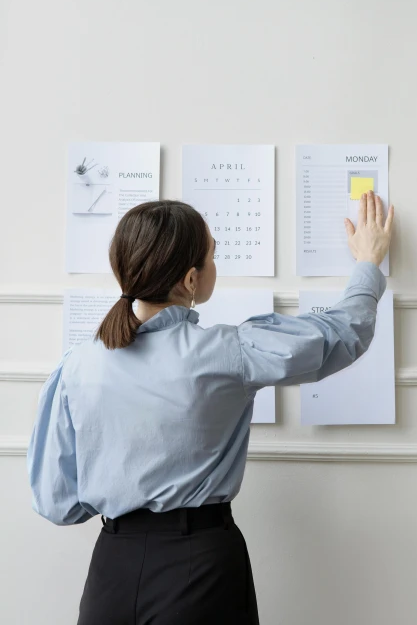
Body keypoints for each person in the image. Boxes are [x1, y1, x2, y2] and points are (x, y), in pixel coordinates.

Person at [27, 190, 394, 625]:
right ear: (190, 280)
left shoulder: (76, 364)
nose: (215, 266)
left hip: (111, 572)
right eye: (213, 256)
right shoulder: (228, 352)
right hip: (199, 571)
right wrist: (368, 264)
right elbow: (342, 334)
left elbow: (57, 503)